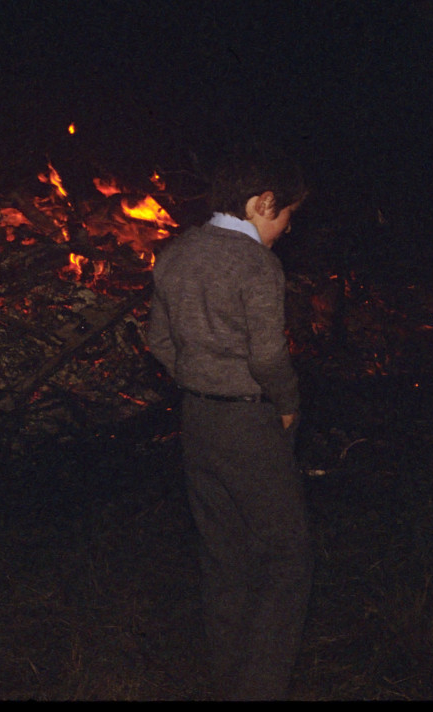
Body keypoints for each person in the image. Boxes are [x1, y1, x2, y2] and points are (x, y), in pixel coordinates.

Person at [147, 145, 311, 700]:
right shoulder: (256, 264)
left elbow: (158, 340)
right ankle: (260, 689)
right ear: (263, 202)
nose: (288, 228)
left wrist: (196, 377)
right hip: (249, 424)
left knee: (223, 556)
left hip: (197, 422)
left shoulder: (176, 251)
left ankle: (226, 683)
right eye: (287, 214)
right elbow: (267, 357)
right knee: (287, 558)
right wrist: (287, 401)